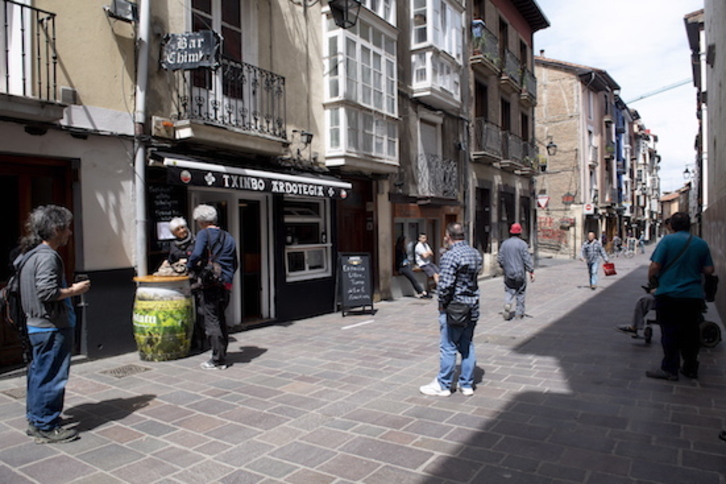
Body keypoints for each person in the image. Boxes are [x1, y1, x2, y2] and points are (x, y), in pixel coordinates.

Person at [17, 205, 91, 443]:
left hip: (36, 325)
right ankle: (47, 426)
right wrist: (74, 290)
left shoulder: (29, 254)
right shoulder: (48, 256)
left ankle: (36, 419)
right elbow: (47, 292)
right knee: (52, 376)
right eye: (67, 228)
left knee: (39, 373)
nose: (70, 233)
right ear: (56, 229)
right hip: (51, 326)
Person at [645, 212, 714, 381]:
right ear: (689, 225)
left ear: (671, 226)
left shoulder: (667, 241)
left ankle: (670, 369)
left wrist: (652, 281)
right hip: (693, 296)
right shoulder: (701, 244)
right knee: (690, 333)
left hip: (669, 294)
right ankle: (690, 367)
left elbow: (655, 266)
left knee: (669, 332)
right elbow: (709, 270)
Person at [419, 222, 482, 397]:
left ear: (448, 236)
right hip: (472, 306)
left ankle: (443, 384)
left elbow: (445, 286)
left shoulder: (450, 256)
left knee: (448, 346)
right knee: (467, 345)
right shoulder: (475, 253)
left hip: (454, 308)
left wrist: (442, 304)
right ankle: (467, 384)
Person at [187, 205, 239, 370]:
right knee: (221, 318)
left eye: (198, 221)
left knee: (211, 320)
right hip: (226, 283)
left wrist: (189, 266)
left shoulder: (204, 234)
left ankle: (217, 359)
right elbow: (235, 262)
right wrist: (227, 277)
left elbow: (196, 254)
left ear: (202, 221)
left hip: (211, 283)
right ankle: (222, 353)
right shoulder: (228, 237)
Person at [497, 223, 534, 320]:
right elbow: (527, 259)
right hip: (520, 273)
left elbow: (500, 258)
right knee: (520, 292)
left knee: (509, 290)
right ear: (520, 232)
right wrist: (531, 271)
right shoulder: (522, 244)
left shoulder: (504, 244)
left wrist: (503, 267)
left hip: (508, 273)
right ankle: (519, 313)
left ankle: (508, 303)